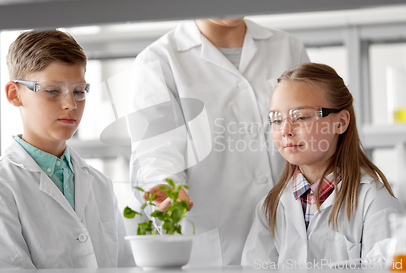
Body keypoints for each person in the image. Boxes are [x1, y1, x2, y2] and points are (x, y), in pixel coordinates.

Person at [129, 18, 309, 265]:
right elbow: (157, 151)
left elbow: (315, 135)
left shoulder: (288, 47)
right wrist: (168, 187)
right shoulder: (159, 60)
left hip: (293, 237)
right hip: (216, 246)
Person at [0, 30, 134, 271]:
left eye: (79, 91)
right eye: (53, 91)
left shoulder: (100, 185)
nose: (70, 104)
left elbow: (124, 266)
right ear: (15, 94)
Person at [241, 63, 403, 266]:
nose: (286, 130)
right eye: (277, 119)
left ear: (341, 122)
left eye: (300, 117)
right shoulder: (270, 209)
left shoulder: (373, 203)